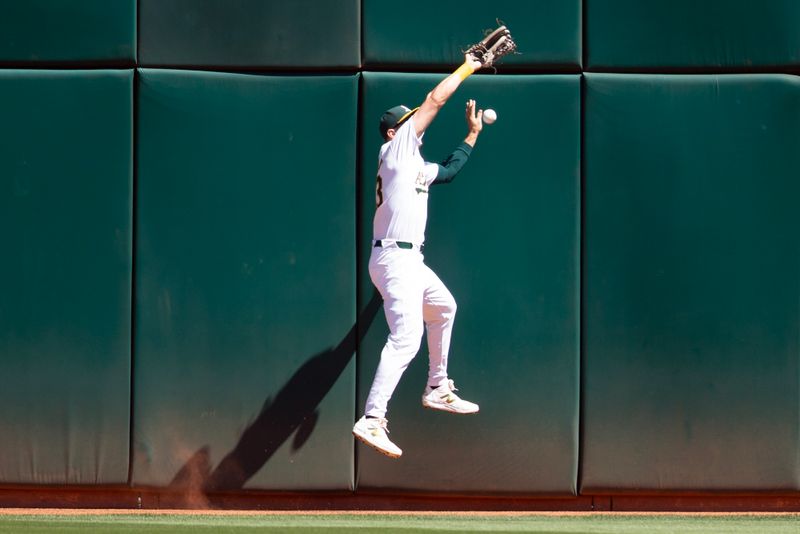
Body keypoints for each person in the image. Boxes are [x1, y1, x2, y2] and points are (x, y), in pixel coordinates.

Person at [352, 54, 485, 459]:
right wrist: (468, 67)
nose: (416, 123)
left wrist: (472, 134)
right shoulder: (394, 151)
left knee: (444, 307)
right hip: (394, 258)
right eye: (407, 121)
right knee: (406, 339)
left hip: (409, 262)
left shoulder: (413, 165)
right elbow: (434, 100)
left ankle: (437, 387)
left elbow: (448, 170)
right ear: (395, 130)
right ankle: (372, 418)